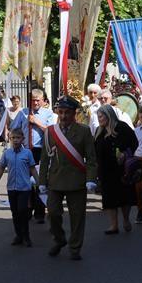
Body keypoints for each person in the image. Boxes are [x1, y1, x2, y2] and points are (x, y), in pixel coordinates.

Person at [39, 96, 98, 261]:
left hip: (77, 180)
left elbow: (91, 158)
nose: (63, 116)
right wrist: (41, 181)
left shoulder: (84, 131)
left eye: (67, 112)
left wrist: (91, 179)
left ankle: (75, 247)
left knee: (77, 217)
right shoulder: (50, 132)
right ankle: (59, 239)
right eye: (60, 112)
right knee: (53, 213)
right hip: (55, 180)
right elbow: (44, 159)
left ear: (74, 113)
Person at [10, 88, 56, 223]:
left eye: (37, 100)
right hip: (25, 149)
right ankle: (27, 210)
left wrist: (35, 122)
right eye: (33, 100)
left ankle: (40, 211)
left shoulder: (48, 113)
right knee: (25, 181)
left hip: (40, 150)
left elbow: (50, 131)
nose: (35, 103)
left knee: (39, 181)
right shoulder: (23, 112)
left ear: (42, 101)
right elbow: (14, 128)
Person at [94, 105, 138, 234]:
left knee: (124, 195)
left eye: (101, 116)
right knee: (109, 197)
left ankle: (125, 219)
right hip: (106, 170)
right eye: (98, 117)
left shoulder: (122, 127)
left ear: (109, 115)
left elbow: (134, 142)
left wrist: (125, 153)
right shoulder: (99, 131)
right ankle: (113, 225)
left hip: (122, 169)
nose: (99, 119)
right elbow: (95, 149)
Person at [0, 128, 40, 247]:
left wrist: (39, 182)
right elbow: (1, 168)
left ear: (22, 139)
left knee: (22, 211)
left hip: (24, 188)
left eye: (18, 138)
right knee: (14, 212)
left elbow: (32, 168)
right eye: (13, 138)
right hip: (11, 188)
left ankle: (26, 236)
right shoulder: (7, 153)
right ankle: (18, 235)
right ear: (10, 139)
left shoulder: (27, 153)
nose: (15, 140)